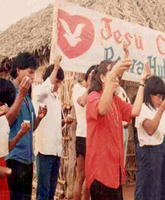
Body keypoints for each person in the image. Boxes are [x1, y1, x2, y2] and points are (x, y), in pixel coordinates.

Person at [86, 58, 150, 200]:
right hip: (100, 173)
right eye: (111, 76)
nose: (116, 81)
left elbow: (135, 111)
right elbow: (102, 109)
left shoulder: (116, 101)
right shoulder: (93, 97)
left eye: (117, 78)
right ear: (102, 77)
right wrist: (114, 73)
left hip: (114, 173)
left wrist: (142, 83)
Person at [5, 52, 47, 200]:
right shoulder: (8, 90)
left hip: (28, 159)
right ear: (18, 70)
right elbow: (7, 121)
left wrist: (39, 118)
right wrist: (21, 95)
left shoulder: (27, 96)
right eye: (30, 72)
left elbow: (29, 129)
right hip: (14, 157)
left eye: (34, 73)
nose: (33, 77)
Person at [33, 56, 73, 200]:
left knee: (50, 192)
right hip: (44, 150)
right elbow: (45, 88)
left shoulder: (56, 98)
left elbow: (54, 124)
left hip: (55, 150)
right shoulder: (39, 92)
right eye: (57, 81)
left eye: (60, 83)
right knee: (43, 192)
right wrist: (55, 68)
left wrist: (63, 122)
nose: (57, 86)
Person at [134, 76, 165, 200]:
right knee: (147, 189)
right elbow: (150, 129)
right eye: (158, 96)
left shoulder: (156, 109)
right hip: (148, 152)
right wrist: (161, 109)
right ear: (149, 94)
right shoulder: (143, 109)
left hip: (160, 149)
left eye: (162, 97)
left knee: (160, 189)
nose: (160, 100)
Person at [72, 64, 96, 200]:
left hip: (92, 137)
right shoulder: (78, 88)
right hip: (83, 136)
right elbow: (81, 102)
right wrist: (90, 86)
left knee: (89, 176)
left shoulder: (92, 92)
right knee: (81, 175)